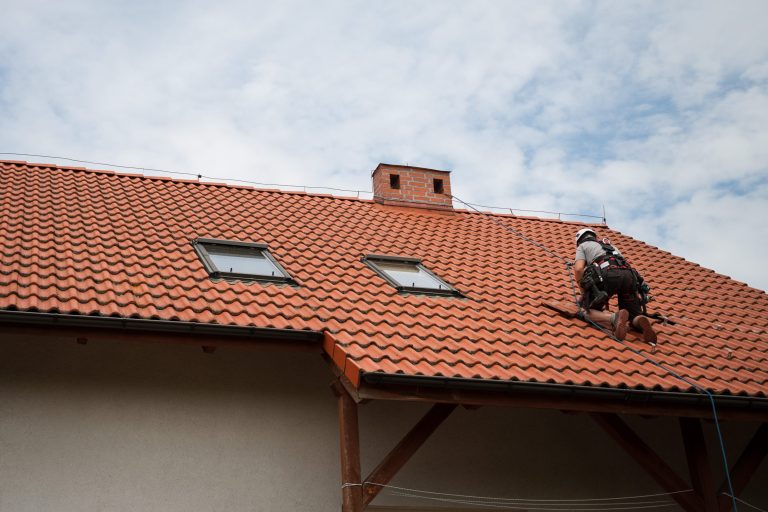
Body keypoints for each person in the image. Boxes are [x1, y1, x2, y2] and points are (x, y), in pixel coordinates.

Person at [573, 228, 657, 343]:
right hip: (629, 276)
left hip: (608, 276)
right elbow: (624, 264)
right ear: (595, 237)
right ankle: (639, 320)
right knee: (632, 314)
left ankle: (613, 318)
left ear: (579, 241)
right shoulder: (611, 246)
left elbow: (578, 269)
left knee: (584, 310)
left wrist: (583, 291)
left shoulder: (582, 246)